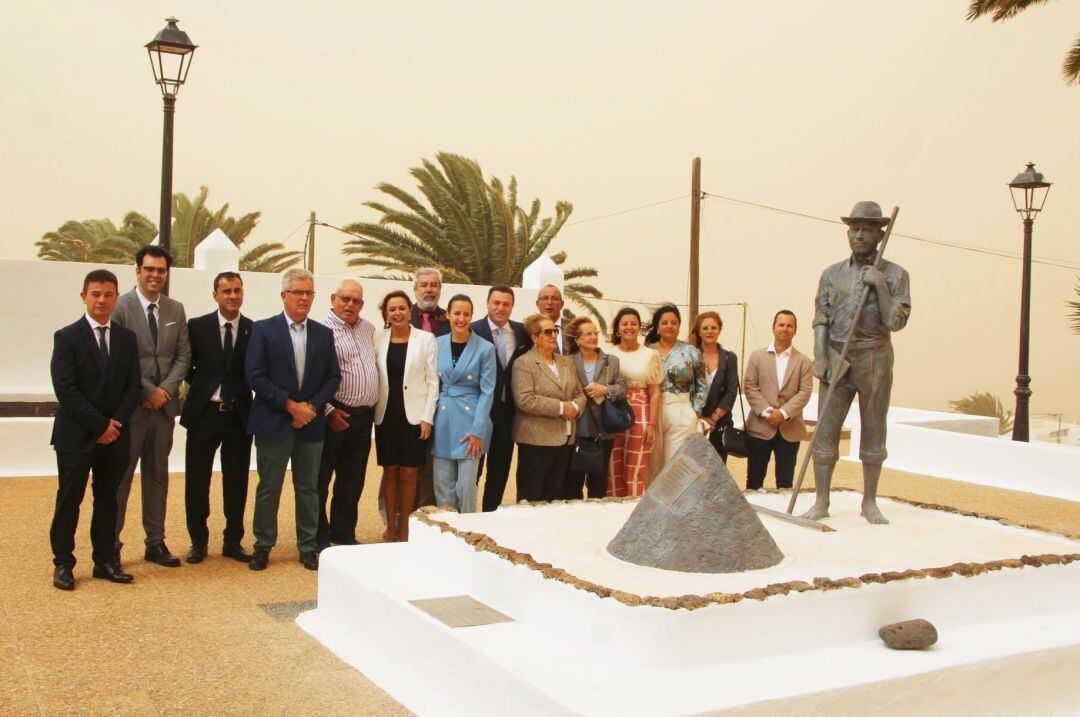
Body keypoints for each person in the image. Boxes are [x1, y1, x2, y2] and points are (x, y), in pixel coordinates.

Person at [804, 201, 911, 524]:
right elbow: (821, 318)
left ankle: (869, 501)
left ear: (880, 235)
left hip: (874, 356)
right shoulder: (831, 274)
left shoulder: (896, 274)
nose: (859, 235)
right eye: (854, 229)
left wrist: (880, 286)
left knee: (874, 428)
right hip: (837, 355)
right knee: (826, 429)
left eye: (866, 230)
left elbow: (896, 321)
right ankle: (821, 500)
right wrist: (821, 356)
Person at [49, 269, 142, 590]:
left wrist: (115, 424)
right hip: (76, 435)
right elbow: (66, 389)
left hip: (115, 435)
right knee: (69, 499)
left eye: (108, 294)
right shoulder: (66, 337)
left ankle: (104, 561)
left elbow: (133, 386)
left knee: (107, 499)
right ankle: (63, 563)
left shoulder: (126, 339)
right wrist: (99, 424)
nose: (102, 300)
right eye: (96, 294)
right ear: (84, 296)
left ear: (116, 298)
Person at [245, 268, 341, 571]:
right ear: (284, 295)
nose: (304, 298)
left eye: (309, 293)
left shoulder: (323, 333)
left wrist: (309, 408)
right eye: (298, 292)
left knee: (308, 487)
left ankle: (308, 546)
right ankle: (263, 545)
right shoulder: (263, 329)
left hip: (311, 424)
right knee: (269, 487)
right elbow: (255, 376)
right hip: (273, 422)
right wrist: (290, 406)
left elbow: (333, 377)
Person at [111, 245, 190, 568]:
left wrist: (165, 391)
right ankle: (111, 544)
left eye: (161, 270)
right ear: (138, 271)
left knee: (158, 477)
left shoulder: (175, 309)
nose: (155, 275)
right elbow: (118, 357)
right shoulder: (121, 307)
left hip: (164, 410)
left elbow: (183, 356)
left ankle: (155, 542)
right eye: (149, 269)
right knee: (121, 478)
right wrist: (147, 391)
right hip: (132, 408)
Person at [180, 271, 254, 564]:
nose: (232, 296)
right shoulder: (197, 327)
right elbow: (186, 365)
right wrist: (205, 386)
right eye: (226, 291)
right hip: (204, 414)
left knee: (236, 481)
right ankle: (198, 541)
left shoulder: (252, 329)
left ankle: (233, 541)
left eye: (237, 290)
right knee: (197, 480)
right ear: (215, 295)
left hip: (238, 416)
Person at [316, 279, 378, 552]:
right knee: (322, 479)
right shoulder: (320, 330)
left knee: (352, 479)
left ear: (362, 304)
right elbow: (313, 377)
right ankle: (318, 535)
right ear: (333, 299)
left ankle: (343, 532)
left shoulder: (368, 328)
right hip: (334, 415)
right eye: (345, 299)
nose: (350, 304)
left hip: (363, 418)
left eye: (356, 300)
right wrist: (328, 411)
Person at [375, 290, 438, 541]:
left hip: (414, 417)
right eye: (392, 309)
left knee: (410, 474)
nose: (397, 313)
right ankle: (391, 528)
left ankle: (405, 530)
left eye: (402, 308)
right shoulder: (377, 338)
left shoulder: (426, 339)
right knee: (390, 472)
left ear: (409, 311)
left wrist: (427, 417)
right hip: (386, 415)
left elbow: (433, 381)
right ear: (386, 313)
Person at [432, 294, 496, 513]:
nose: (461, 318)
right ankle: (447, 527)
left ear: (471, 316)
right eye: (457, 313)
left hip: (472, 422)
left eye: (466, 314)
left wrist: (478, 430)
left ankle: (468, 527)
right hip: (443, 417)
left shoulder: (485, 348)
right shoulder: (437, 344)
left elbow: (487, 391)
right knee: (442, 484)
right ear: (448, 315)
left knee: (466, 485)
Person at [512, 314, 586, 501]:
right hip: (536, 440)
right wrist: (562, 408)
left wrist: (575, 406)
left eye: (555, 331)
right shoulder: (524, 363)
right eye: (547, 332)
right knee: (532, 497)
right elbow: (525, 399)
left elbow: (579, 393)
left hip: (566, 439)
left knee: (556, 497)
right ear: (534, 337)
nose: (553, 335)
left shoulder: (566, 361)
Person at [471, 285, 530, 511]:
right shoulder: (473, 329)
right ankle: (467, 516)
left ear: (512, 306)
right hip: (478, 412)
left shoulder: (522, 332)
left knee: (499, 472)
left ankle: (490, 516)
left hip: (508, 413)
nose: (500, 308)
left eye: (506, 304)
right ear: (487, 303)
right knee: (472, 470)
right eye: (496, 303)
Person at [743, 310, 814, 491]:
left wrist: (783, 413)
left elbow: (805, 391)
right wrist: (767, 412)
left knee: (785, 483)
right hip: (760, 427)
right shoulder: (757, 357)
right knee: (754, 482)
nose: (785, 329)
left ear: (795, 330)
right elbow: (750, 386)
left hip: (790, 428)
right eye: (781, 324)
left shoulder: (804, 361)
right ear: (773, 327)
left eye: (789, 326)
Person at [563, 317, 627, 499]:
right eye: (588, 334)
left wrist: (605, 390)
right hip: (577, 427)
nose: (593, 337)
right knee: (573, 480)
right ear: (577, 339)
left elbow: (623, 388)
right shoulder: (567, 361)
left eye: (595, 333)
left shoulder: (611, 361)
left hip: (603, 428)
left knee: (599, 481)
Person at [606, 308, 662, 497]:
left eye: (633, 323)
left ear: (639, 328)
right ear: (618, 328)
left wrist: (652, 425)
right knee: (612, 469)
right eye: (624, 324)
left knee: (634, 470)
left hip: (640, 413)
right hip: (612, 412)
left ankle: (634, 510)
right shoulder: (607, 354)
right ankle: (613, 510)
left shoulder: (650, 355)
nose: (629, 327)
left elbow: (655, 392)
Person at [644, 304, 707, 474]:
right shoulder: (647, 352)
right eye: (665, 322)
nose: (669, 326)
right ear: (658, 326)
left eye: (674, 322)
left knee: (675, 465)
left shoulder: (691, 352)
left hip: (682, 410)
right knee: (653, 466)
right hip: (652, 411)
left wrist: (695, 411)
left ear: (679, 325)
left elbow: (702, 385)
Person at [689, 312, 739, 463]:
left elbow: (731, 391)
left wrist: (713, 419)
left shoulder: (729, 357)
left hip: (720, 423)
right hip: (694, 422)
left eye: (713, 328)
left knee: (717, 469)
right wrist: (700, 418)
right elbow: (686, 389)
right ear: (699, 331)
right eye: (705, 328)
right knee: (695, 467)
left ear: (719, 330)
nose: (709, 331)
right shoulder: (691, 356)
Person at [535, 284, 567, 354]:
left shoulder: (573, 328)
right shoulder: (529, 329)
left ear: (562, 304)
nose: (549, 302)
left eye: (554, 299)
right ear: (537, 304)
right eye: (545, 298)